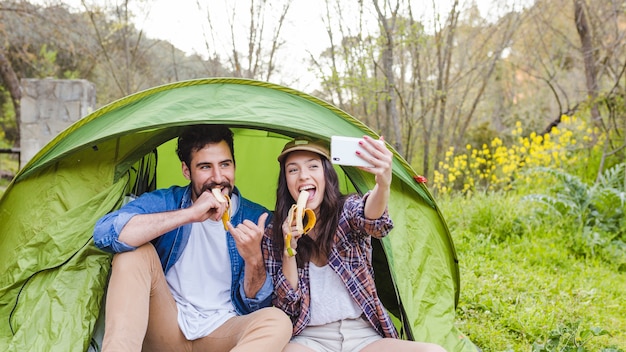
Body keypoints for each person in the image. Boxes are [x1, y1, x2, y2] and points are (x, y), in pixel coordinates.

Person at [93, 125, 292, 352]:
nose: (218, 178)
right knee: (132, 254)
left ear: (234, 166)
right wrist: (189, 215)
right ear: (187, 171)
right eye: (205, 167)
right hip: (167, 327)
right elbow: (104, 233)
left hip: (222, 332)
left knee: (277, 321)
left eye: (225, 165)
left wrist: (254, 258)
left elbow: (256, 304)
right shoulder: (169, 202)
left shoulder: (259, 219)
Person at [263, 136, 447, 352]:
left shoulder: (347, 211)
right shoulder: (274, 232)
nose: (304, 176)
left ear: (326, 174)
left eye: (313, 166)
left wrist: (383, 183)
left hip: (362, 336)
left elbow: (372, 219)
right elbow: (287, 306)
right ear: (286, 180)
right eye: (293, 170)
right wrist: (289, 250)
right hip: (310, 338)